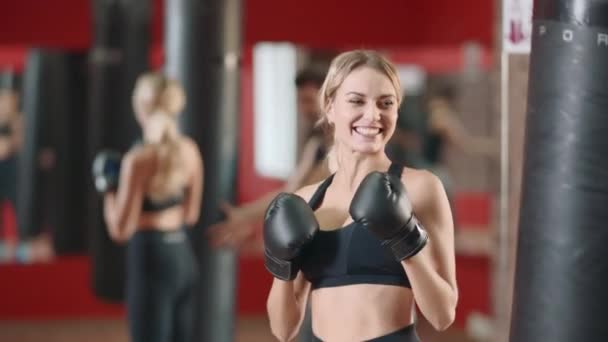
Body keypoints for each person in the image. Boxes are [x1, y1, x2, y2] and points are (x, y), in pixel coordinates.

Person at [263, 50, 458, 341]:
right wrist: (280, 264)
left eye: (386, 103)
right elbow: (283, 330)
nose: (372, 115)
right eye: (356, 101)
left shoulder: (420, 188)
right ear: (330, 107)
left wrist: (404, 239)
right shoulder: (306, 200)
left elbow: (443, 315)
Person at [95, 72, 204, 342]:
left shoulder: (138, 160)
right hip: (182, 259)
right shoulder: (190, 150)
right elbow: (191, 215)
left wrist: (107, 189)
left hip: (150, 258)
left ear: (141, 107)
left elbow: (120, 230)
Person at [208, 65, 331, 249]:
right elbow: (293, 190)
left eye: (308, 100)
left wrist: (243, 218)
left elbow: (298, 194)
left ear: (328, 100)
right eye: (300, 101)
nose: (303, 109)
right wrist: (241, 215)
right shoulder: (316, 145)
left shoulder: (344, 146)